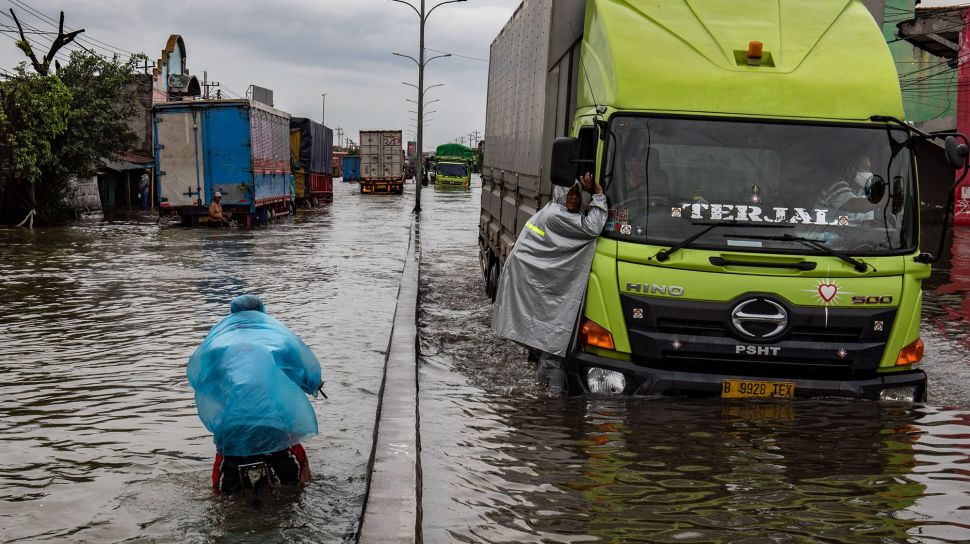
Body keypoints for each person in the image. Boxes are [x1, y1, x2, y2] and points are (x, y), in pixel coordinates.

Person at [187, 294, 323, 494]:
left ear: (233, 315)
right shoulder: (279, 342)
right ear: (262, 312)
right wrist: (313, 384)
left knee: (223, 486)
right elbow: (302, 372)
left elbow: (202, 379)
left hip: (233, 427)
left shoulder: (217, 346)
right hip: (274, 426)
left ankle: (222, 497)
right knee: (297, 478)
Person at [491, 173, 608, 392]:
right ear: (560, 195)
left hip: (533, 280)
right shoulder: (558, 216)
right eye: (570, 194)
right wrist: (599, 195)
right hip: (532, 281)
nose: (574, 198)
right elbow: (592, 228)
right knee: (551, 340)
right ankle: (551, 397)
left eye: (577, 194)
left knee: (546, 339)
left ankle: (544, 388)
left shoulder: (556, 210)